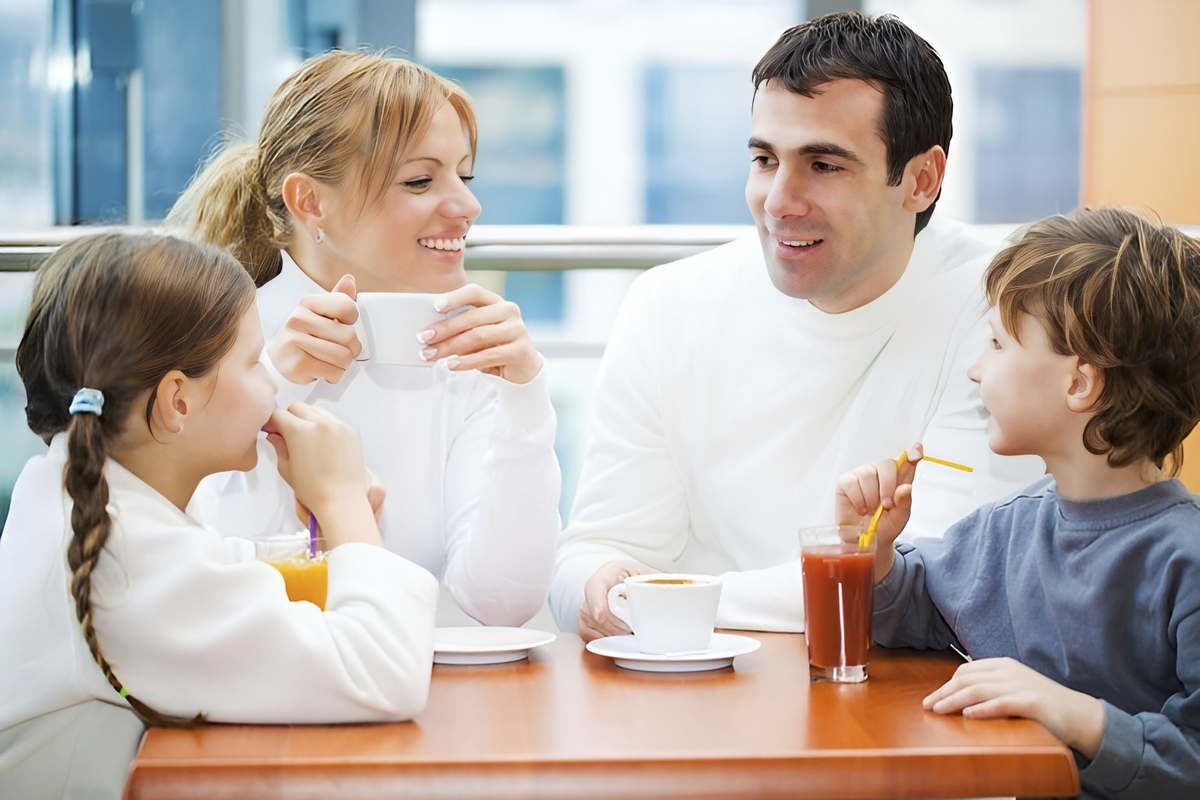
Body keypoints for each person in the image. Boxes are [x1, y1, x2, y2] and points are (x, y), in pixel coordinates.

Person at [551, 11, 1045, 639]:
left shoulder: (1002, 312)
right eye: (764, 160)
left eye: (824, 165)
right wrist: (604, 587)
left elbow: (938, 588)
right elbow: (588, 557)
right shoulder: (667, 304)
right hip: (690, 693)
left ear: (921, 180)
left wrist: (659, 601)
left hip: (891, 705)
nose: (779, 201)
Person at [0, 233, 439, 800]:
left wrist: (338, 521)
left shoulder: (81, 496)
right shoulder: (125, 559)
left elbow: (225, 580)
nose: (273, 384)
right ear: (177, 401)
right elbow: (384, 675)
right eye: (256, 362)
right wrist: (342, 500)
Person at [168, 51, 560, 627]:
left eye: (464, 175)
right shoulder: (204, 341)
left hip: (429, 690)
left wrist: (525, 399)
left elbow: (502, 604)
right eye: (421, 180)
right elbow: (211, 586)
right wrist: (264, 390)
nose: (468, 206)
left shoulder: (471, 351)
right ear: (310, 202)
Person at [838, 208, 1200, 799]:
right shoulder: (1010, 527)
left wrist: (1072, 714)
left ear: (1079, 384)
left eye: (998, 343)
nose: (975, 370)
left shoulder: (1186, 559)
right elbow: (916, 609)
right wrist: (874, 550)